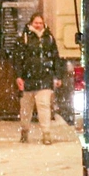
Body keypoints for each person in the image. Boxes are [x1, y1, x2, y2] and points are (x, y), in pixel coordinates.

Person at [13, 13, 62, 145]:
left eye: (40, 23)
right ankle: (24, 131)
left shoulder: (49, 38)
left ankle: (46, 134)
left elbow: (55, 58)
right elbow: (18, 58)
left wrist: (57, 75)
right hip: (27, 78)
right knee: (26, 108)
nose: (38, 25)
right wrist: (19, 76)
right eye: (36, 23)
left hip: (44, 78)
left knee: (44, 106)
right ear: (31, 23)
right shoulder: (24, 38)